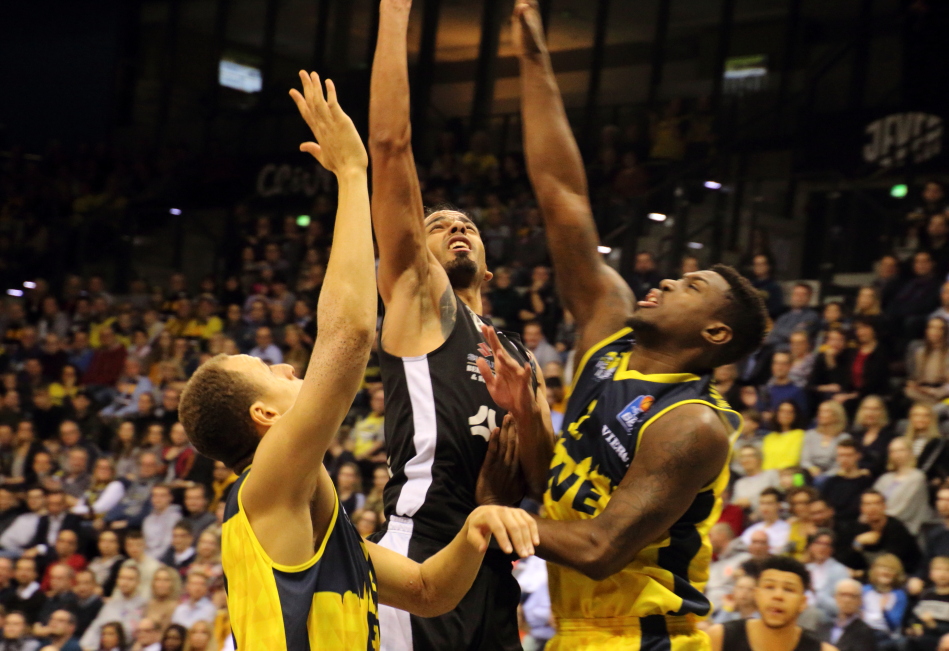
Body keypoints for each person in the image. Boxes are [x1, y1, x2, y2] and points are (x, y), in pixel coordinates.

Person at [178, 71, 538, 651]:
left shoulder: (313, 515)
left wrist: (475, 527)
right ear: (264, 417)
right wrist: (352, 173)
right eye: (268, 371)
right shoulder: (265, 487)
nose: (289, 368)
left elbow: (424, 591)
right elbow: (346, 338)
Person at [509, 4, 769, 649]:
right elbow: (562, 195)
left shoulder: (691, 423)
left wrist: (494, 518)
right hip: (577, 629)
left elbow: (599, 548)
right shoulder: (607, 332)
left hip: (647, 636)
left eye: (692, 287)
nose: (668, 282)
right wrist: (535, 61)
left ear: (714, 334)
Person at [368, 2, 545, 647]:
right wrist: (392, 17)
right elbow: (390, 148)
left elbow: (541, 481)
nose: (456, 226)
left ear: (492, 267)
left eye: (466, 222)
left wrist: (526, 416)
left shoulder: (520, 354)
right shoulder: (420, 302)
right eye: (439, 224)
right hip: (422, 555)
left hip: (495, 575)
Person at [708, 556, 832, 651]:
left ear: (803, 602)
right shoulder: (719, 637)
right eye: (769, 587)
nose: (777, 596)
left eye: (788, 589)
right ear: (756, 595)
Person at [846, 490, 921, 575]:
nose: (872, 508)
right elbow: (849, 562)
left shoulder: (896, 528)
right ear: (861, 508)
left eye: (877, 503)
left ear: (884, 506)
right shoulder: (858, 528)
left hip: (902, 575)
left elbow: (891, 564)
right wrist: (858, 542)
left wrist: (862, 573)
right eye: (867, 504)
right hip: (870, 578)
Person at [873, 437, 933, 535]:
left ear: (910, 452)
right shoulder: (885, 478)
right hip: (879, 526)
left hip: (904, 530)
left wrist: (879, 519)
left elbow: (903, 509)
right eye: (893, 451)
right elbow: (871, 500)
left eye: (901, 450)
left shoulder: (917, 477)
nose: (897, 454)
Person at [79, 566, 145, 649]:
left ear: (138, 582)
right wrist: (87, 647)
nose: (125, 582)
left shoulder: (144, 605)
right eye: (122, 578)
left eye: (130, 579)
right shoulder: (110, 604)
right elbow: (94, 629)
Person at [818, 578, 878, 651]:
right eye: (843, 595)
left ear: (860, 601)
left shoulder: (866, 633)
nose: (847, 600)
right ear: (835, 598)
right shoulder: (823, 628)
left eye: (852, 596)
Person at [905, 556, 949, 650]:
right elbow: (916, 618)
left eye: (947, 570)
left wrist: (934, 625)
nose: (942, 574)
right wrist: (916, 627)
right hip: (923, 636)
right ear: (930, 574)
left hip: (942, 638)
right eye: (938, 569)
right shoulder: (926, 595)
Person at [861, 554, 908, 642]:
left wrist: (884, 611)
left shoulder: (899, 596)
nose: (886, 572)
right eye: (882, 568)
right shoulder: (864, 590)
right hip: (863, 632)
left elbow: (893, 626)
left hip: (885, 636)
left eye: (891, 569)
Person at [806, 530, 851, 616]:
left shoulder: (840, 571)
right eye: (818, 543)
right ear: (811, 546)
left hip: (827, 618)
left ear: (832, 549)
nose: (822, 548)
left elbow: (842, 607)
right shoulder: (806, 569)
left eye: (827, 544)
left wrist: (815, 592)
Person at [801, 401, 849, 481]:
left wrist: (824, 476)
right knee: (796, 479)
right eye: (820, 411)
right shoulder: (809, 435)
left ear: (836, 415)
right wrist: (811, 468)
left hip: (833, 475)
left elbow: (839, 465)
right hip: (809, 473)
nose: (820, 414)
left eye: (826, 411)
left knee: (821, 481)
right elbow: (804, 460)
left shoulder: (844, 438)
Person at [906, 318, 949, 405]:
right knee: (908, 391)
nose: (935, 331)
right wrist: (915, 385)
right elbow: (917, 379)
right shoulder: (920, 353)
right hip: (923, 392)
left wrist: (933, 391)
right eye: (931, 327)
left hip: (943, 393)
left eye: (939, 328)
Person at [765, 283, 820, 350]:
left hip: (795, 353)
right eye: (796, 294)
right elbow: (770, 339)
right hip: (774, 350)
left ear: (809, 297)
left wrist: (776, 331)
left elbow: (796, 336)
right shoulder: (783, 317)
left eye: (802, 295)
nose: (799, 297)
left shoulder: (812, 316)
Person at [851, 396, 896, 477]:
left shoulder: (890, 438)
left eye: (875, 409)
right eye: (866, 409)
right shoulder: (854, 436)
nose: (870, 413)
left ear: (882, 412)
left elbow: (887, 465)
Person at [741, 488, 791, 554]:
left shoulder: (787, 529)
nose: (765, 507)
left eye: (769, 503)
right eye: (762, 503)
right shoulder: (752, 530)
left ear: (778, 505)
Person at [762, 401, 807, 470]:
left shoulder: (800, 434)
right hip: (769, 476)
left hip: (793, 474)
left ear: (795, 415)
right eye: (782, 411)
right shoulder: (769, 438)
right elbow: (764, 461)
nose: (785, 414)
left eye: (789, 412)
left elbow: (794, 460)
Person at [2, 559, 45, 624]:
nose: (23, 573)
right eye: (20, 569)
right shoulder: (11, 595)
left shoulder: (41, 597)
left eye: (28, 570)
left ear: (35, 573)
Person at [143, 567, 180, 632]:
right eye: (158, 580)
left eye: (166, 580)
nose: (161, 584)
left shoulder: (176, 607)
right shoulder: (148, 604)